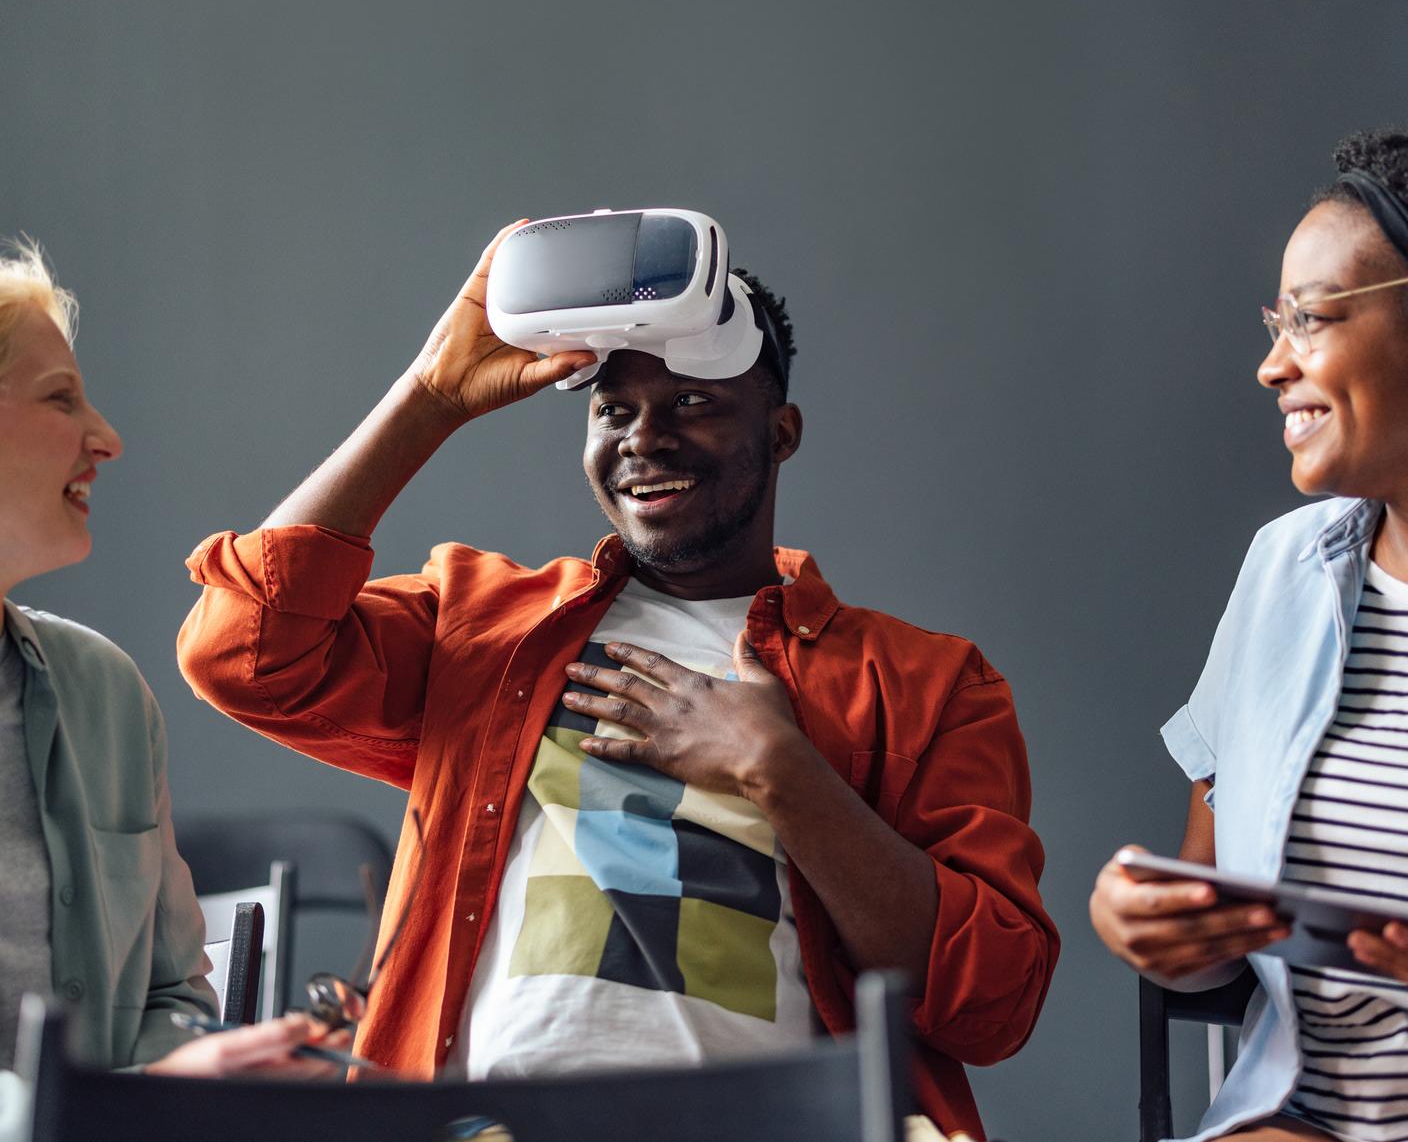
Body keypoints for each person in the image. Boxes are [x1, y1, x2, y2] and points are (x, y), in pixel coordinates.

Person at [177, 219, 1058, 1140]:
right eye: (615, 410)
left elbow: (992, 1001)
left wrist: (782, 775)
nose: (647, 438)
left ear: (782, 434)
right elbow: (240, 651)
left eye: (693, 404)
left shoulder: (928, 684)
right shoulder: (485, 623)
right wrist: (431, 395)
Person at [1090, 128, 1408, 1142]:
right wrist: (1151, 924)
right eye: (1278, 322)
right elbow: (1218, 912)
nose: (1273, 365)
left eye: (1310, 320)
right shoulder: (1285, 571)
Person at [0, 238, 342, 1129]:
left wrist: (200, 1066)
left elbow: (171, 994)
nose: (106, 438)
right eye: (59, 399)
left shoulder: (102, 693)